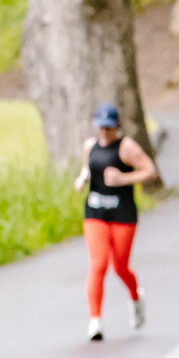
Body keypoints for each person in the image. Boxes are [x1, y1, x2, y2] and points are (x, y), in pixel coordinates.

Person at [76, 102, 156, 342]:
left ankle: (135, 296)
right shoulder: (90, 146)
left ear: (116, 127)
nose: (104, 132)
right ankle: (95, 321)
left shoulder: (127, 148)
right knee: (98, 264)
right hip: (95, 213)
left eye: (108, 128)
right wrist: (81, 180)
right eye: (100, 127)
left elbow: (149, 170)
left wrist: (123, 178)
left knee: (120, 266)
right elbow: (86, 169)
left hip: (122, 214)